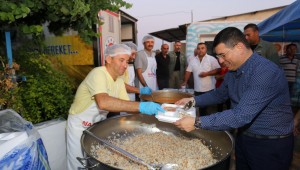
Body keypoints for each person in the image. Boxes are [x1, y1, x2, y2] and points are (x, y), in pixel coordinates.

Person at [175, 27, 294, 170]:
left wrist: (197, 122)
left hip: (270, 144)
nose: (220, 61)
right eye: (218, 56)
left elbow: (240, 115)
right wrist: (193, 101)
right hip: (244, 137)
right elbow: (219, 94)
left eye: (223, 55)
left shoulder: (265, 72)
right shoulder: (233, 71)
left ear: (239, 47)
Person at [66, 44, 164, 170]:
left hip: (96, 124)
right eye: (121, 60)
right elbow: (103, 102)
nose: (125, 65)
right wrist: (143, 106)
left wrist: (146, 124)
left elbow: (126, 106)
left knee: (92, 161)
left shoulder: (118, 81)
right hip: (79, 125)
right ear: (108, 59)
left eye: (127, 62)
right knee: (78, 162)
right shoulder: (98, 73)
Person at [181, 43, 220, 116]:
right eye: (198, 48)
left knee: (208, 110)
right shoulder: (193, 60)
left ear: (206, 49)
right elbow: (188, 71)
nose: (200, 50)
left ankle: (209, 125)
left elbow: (218, 70)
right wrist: (185, 81)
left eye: (202, 48)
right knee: (200, 109)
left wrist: (207, 73)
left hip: (209, 89)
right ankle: (201, 124)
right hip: (197, 89)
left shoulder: (211, 59)